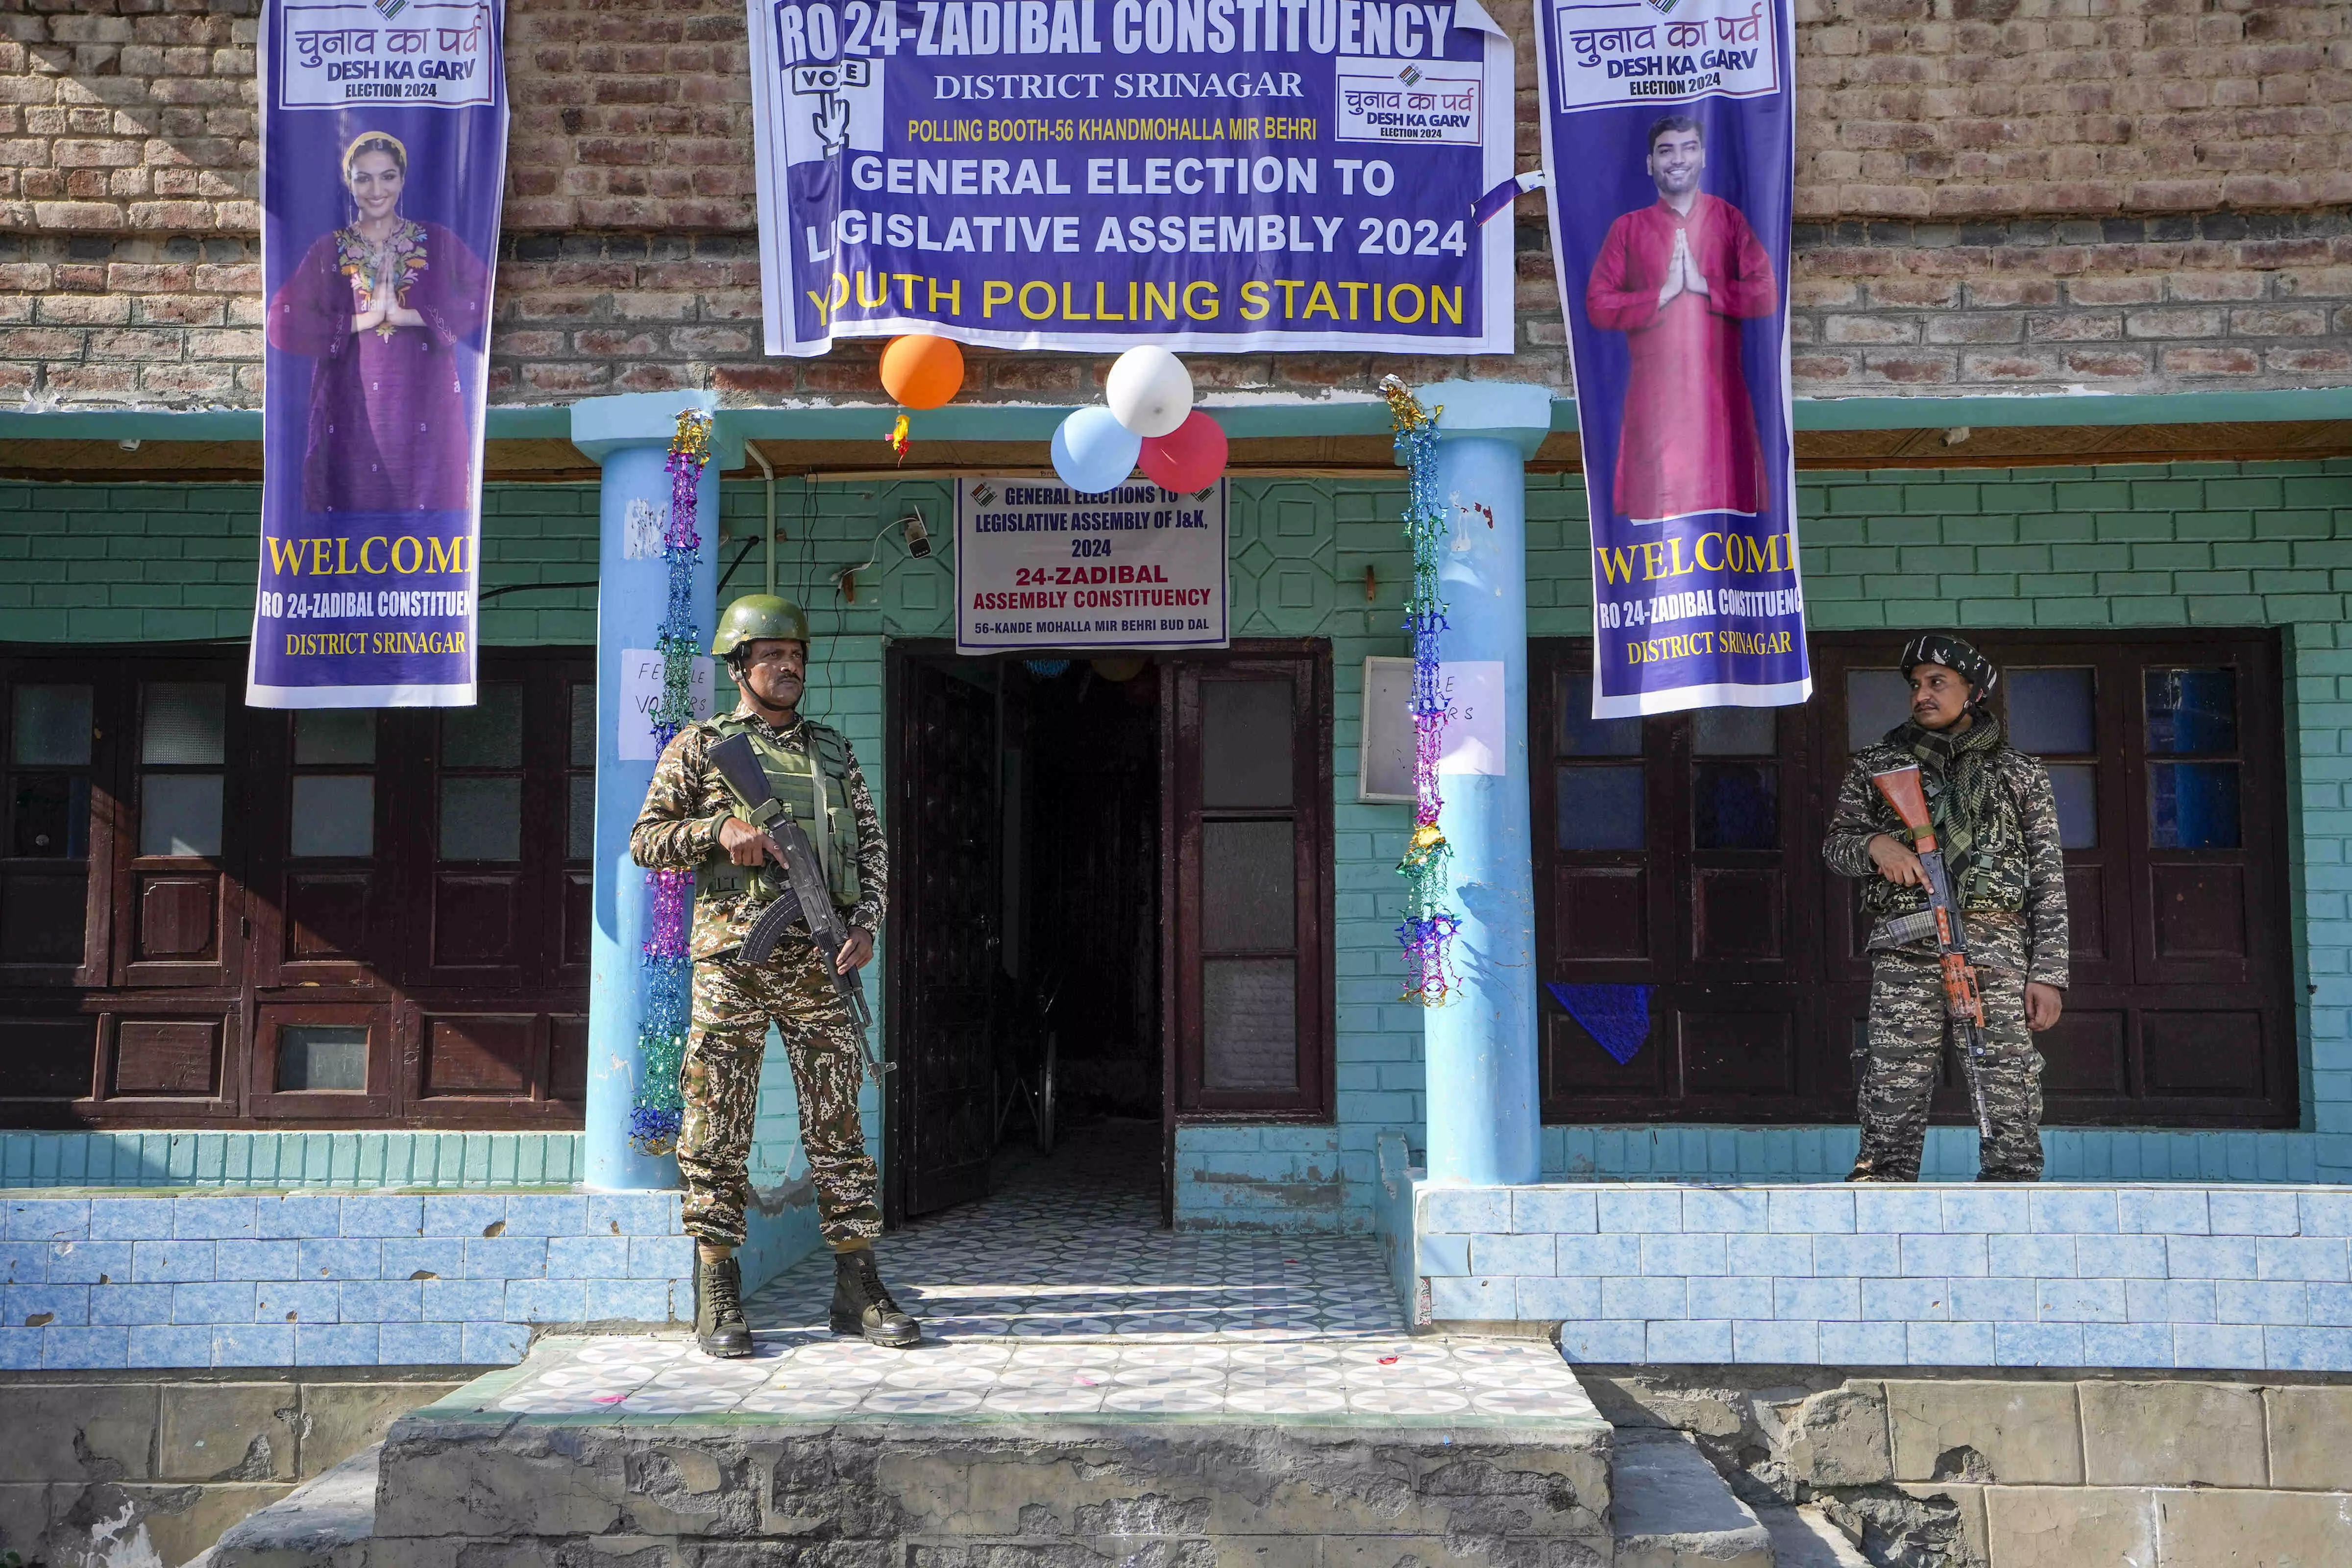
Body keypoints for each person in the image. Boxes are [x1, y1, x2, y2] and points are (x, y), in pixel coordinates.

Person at [630, 594, 918, 1356]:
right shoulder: (701, 746)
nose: (789, 666)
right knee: (716, 1120)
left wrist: (865, 926)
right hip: (733, 962)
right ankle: (717, 1283)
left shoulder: (832, 749)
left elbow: (873, 848)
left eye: (797, 655)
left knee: (838, 1124)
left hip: (821, 963)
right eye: (773, 655)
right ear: (740, 667)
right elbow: (646, 840)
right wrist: (717, 830)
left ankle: (858, 1281)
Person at [1822, 634, 2068, 1183]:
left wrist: (2048, 973)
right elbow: (1836, 846)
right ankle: (1883, 1183)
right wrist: (1872, 846)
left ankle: (2012, 1186)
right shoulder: (1876, 766)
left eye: (1938, 683)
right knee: (1894, 1076)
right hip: (1907, 949)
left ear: (1973, 691)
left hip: (1995, 948)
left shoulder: (2019, 772)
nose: (1923, 695)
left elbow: (2049, 879)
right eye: (1916, 685)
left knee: (2006, 1076)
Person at [264, 132, 490, 516]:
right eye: (363, 178)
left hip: (424, 407)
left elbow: (484, 292)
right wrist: (360, 321)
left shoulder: (435, 241)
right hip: (350, 412)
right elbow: (280, 322)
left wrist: (413, 316)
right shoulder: (329, 250)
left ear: (402, 181)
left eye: (387, 177)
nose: (376, 189)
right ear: (349, 183)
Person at [1585, 114, 1777, 526]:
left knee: (1730, 521)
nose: (1678, 159)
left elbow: (1766, 292)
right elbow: (1599, 304)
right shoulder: (1628, 229)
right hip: (1656, 407)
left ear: (1704, 157)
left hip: (1720, 403)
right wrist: (1663, 294)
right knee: (1659, 529)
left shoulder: (1728, 220)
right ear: (1649, 163)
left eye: (1689, 147)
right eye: (1666, 150)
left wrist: (1707, 286)